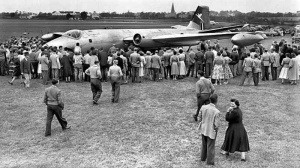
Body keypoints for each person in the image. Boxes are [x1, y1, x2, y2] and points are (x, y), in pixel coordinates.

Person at [197, 94, 220, 165]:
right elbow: (216, 124)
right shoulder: (216, 111)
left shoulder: (203, 107)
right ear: (216, 101)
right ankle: (210, 162)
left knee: (204, 144)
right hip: (211, 131)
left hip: (203, 129)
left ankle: (203, 158)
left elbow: (199, 118)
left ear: (210, 100)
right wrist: (216, 129)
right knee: (210, 146)